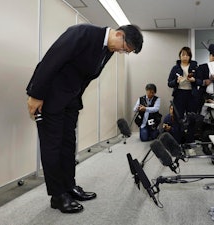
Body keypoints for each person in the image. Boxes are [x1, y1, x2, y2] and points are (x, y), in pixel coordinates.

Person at [26, 24, 143, 213]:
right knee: (52, 146)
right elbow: (51, 61)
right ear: (119, 34)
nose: (122, 52)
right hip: (50, 97)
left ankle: (69, 186)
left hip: (70, 101)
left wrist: (76, 100)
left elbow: (86, 76)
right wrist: (36, 94)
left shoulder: (108, 50)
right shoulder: (83, 33)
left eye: (126, 52)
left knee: (68, 144)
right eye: (124, 48)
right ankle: (57, 195)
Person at [167, 47, 199, 143]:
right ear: (180, 56)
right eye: (183, 55)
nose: (185, 57)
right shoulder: (175, 68)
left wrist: (195, 80)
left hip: (191, 95)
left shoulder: (195, 67)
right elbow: (169, 83)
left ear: (190, 56)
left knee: (191, 118)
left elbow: (201, 81)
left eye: (187, 55)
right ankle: (178, 142)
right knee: (177, 119)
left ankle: (190, 141)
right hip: (179, 94)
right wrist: (176, 81)